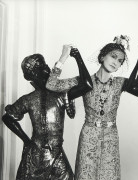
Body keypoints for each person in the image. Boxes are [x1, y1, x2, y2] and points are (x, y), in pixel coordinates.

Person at [46, 35, 138, 180]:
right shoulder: (83, 81)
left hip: (111, 135)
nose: (116, 62)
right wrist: (63, 57)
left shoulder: (120, 83)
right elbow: (51, 85)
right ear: (102, 57)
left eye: (120, 61)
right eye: (113, 57)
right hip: (89, 134)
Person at [2, 50, 93, 180]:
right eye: (42, 66)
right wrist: (26, 140)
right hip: (35, 156)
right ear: (33, 74)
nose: (47, 68)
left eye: (45, 64)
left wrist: (78, 57)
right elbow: (7, 118)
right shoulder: (28, 99)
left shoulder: (61, 94)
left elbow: (88, 85)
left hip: (57, 154)